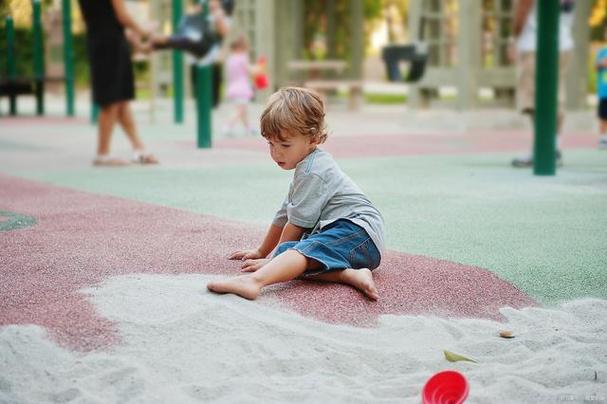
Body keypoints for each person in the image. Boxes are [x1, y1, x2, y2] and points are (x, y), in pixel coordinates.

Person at [207, 87, 385, 301]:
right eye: (271, 143)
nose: (276, 152)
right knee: (293, 258)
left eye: (285, 144)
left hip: (358, 232)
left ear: (313, 139)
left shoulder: (315, 171)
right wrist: (262, 251)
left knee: (295, 254)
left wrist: (273, 260)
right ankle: (350, 275)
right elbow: (285, 214)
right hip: (350, 239)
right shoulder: (305, 167)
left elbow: (296, 223)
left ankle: (254, 283)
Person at [77, 0, 159, 166]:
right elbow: (122, 17)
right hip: (111, 44)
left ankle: (139, 149)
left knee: (120, 99)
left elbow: (107, 19)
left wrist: (138, 45)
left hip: (101, 41)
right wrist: (144, 32)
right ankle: (102, 154)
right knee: (112, 100)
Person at [510, 0, 574, 168]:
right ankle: (553, 147)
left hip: (536, 43)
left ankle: (544, 148)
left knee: (534, 98)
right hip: (563, 42)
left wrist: (514, 39)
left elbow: (523, 7)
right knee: (555, 94)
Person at [150, 0, 231, 108]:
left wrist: (217, 17)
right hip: (197, 49)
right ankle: (200, 101)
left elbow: (224, 32)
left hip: (209, 51)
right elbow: (190, 19)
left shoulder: (220, 13)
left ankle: (212, 103)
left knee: (213, 79)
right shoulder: (200, 12)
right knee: (196, 78)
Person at [222, 35, 257, 136]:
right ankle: (228, 126)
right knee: (240, 110)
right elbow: (250, 70)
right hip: (242, 87)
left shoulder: (231, 59)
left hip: (233, 87)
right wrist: (259, 68)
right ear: (240, 48)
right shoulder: (242, 58)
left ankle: (248, 128)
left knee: (243, 109)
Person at [595, 24, 607, 150]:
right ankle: (603, 139)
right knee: (603, 116)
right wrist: (602, 63)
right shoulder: (602, 52)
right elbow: (596, 67)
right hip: (604, 92)